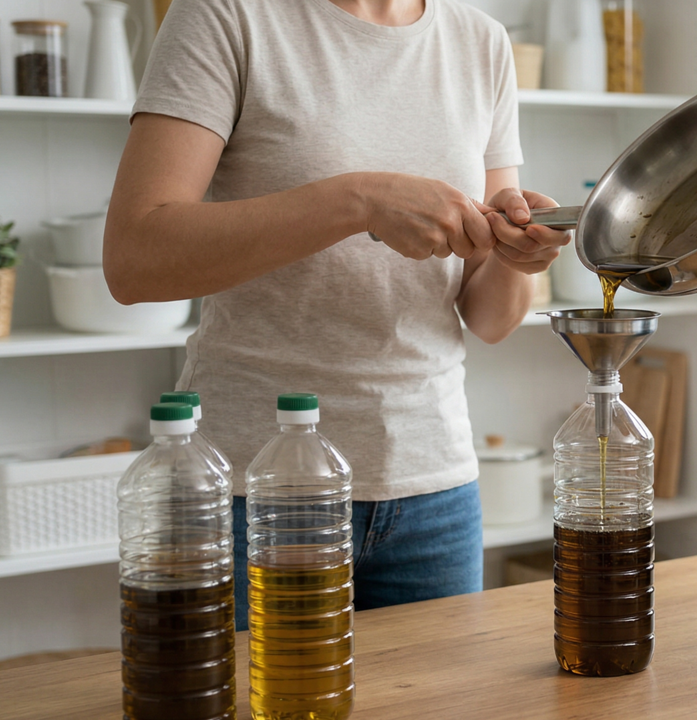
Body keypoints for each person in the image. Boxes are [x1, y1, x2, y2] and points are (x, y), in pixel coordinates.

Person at [103, 0, 569, 629]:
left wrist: (519, 255)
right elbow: (134, 259)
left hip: (432, 490)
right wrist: (358, 200)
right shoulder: (227, 15)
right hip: (257, 490)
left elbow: (489, 319)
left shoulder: (481, 41)